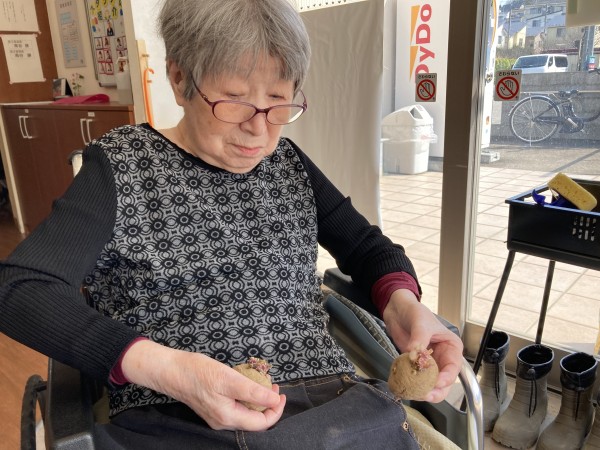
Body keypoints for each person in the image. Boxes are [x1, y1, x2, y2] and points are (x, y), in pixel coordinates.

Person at [0, 0, 463, 448]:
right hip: (177, 415)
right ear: (179, 79)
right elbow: (21, 288)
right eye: (235, 100)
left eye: (278, 100)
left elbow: (365, 246)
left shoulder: (286, 164)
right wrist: (166, 368)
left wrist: (403, 306)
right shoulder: (123, 166)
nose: (258, 129)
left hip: (331, 406)